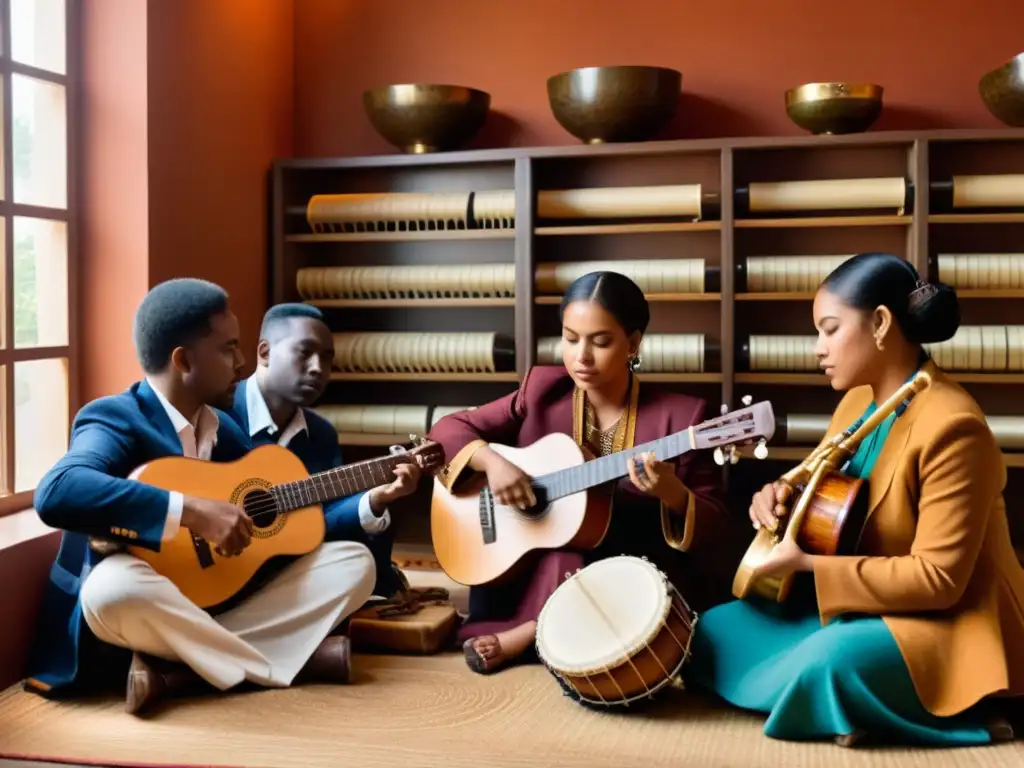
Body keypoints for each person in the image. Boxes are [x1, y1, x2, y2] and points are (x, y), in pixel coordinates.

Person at [688, 252, 1024, 747]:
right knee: (711, 631)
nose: (818, 348)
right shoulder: (857, 401)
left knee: (831, 661)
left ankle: (965, 712)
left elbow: (939, 581)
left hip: (946, 620)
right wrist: (780, 494)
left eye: (830, 329)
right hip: (863, 603)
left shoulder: (955, 428)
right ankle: (849, 708)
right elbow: (824, 491)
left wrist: (806, 566)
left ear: (882, 323)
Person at [23, 279, 376, 716]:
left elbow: (279, 507)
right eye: (228, 348)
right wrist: (189, 512)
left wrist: (373, 497)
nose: (243, 361)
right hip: (139, 604)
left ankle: (178, 674)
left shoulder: (220, 427)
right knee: (114, 589)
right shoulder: (115, 417)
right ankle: (276, 663)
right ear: (184, 360)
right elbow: (57, 491)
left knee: (354, 564)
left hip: (211, 601)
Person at [427, 271, 741, 674]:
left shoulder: (683, 417)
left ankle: (528, 634)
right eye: (571, 338)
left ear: (633, 343)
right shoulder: (542, 388)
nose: (581, 357)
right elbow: (450, 428)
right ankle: (546, 629)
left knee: (593, 558)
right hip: (531, 560)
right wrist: (494, 463)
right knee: (565, 553)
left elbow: (719, 525)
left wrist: (673, 494)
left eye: (601, 341)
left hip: (633, 567)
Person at [228, 303, 420, 598]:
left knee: (357, 564)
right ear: (264, 352)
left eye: (327, 358)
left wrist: (376, 498)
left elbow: (323, 522)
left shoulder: (321, 434)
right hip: (218, 566)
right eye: (305, 353)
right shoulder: (218, 414)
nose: (319, 368)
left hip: (283, 568)